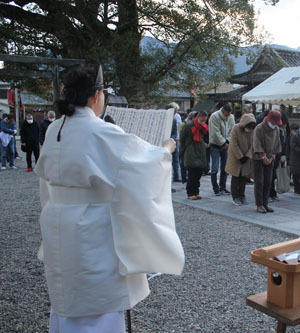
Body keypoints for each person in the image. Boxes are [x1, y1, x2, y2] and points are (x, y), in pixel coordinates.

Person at [35, 63, 184, 332]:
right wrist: (165, 150)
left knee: (66, 291)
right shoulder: (98, 130)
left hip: (57, 220)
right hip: (90, 227)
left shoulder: (55, 128)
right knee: (96, 301)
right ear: (96, 96)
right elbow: (143, 165)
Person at [252, 110, 282, 214]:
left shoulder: (277, 129)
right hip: (258, 158)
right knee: (259, 182)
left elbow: (277, 144)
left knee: (268, 181)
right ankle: (259, 204)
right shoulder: (259, 128)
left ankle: (265, 203)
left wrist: (272, 157)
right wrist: (263, 156)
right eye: (274, 122)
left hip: (270, 158)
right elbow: (256, 143)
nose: (275, 124)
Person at [226, 113, 256, 206]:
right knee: (235, 177)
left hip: (246, 158)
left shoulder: (252, 131)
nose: (249, 129)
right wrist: (240, 156)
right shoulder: (236, 128)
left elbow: (253, 144)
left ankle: (242, 195)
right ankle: (235, 196)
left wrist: (247, 156)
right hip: (235, 157)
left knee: (243, 177)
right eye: (248, 126)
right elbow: (234, 144)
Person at [180, 111, 208, 200]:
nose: (203, 121)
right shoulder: (188, 126)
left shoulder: (203, 126)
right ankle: (190, 192)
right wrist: (183, 150)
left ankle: (196, 191)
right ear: (198, 117)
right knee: (192, 173)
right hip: (191, 150)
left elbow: (205, 136)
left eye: (205, 120)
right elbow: (182, 138)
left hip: (200, 150)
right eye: (202, 119)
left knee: (199, 172)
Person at [208, 103, 235, 195]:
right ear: (223, 111)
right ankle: (215, 188)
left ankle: (223, 187)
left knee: (225, 167)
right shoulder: (214, 116)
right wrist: (223, 143)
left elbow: (232, 130)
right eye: (227, 113)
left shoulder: (231, 117)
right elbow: (215, 132)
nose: (228, 115)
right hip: (215, 144)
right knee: (215, 167)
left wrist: (227, 142)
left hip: (226, 145)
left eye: (230, 113)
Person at [168, 102, 182, 182]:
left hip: (177, 140)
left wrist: (178, 137)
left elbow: (178, 128)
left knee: (176, 159)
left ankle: (176, 176)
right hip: (169, 140)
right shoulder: (167, 117)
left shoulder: (178, 116)